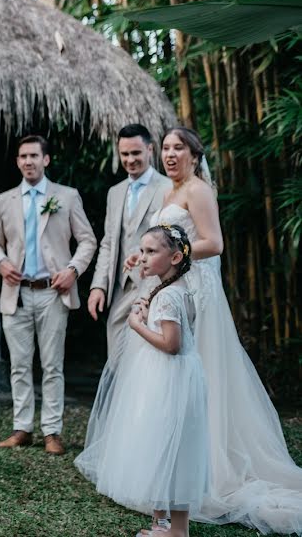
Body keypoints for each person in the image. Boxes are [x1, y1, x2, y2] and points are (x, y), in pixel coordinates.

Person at [124, 127, 302, 535]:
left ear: (193, 153)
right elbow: (166, 239)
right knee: (166, 387)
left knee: (193, 378)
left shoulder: (198, 189)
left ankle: (205, 471)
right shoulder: (170, 193)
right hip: (173, 285)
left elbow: (215, 243)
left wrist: (172, 254)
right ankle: (166, 474)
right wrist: (146, 252)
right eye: (166, 148)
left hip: (196, 294)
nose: (170, 154)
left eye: (178, 148)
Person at [76, 224, 209, 537]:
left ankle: (172, 528)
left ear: (175, 257)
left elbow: (171, 344)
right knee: (166, 448)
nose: (143, 258)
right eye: (143, 250)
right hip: (174, 377)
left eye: (152, 252)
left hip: (169, 378)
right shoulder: (173, 289)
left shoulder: (168, 297)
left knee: (166, 449)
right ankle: (167, 525)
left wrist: (137, 324)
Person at [0, 135, 97, 455]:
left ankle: (52, 431)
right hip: (16, 292)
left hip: (52, 291)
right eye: (23, 156)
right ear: (18, 161)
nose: (28, 161)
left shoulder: (67, 196)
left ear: (46, 160)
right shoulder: (3, 200)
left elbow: (87, 240)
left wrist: (72, 270)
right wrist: (1, 262)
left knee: (52, 365)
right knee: (19, 365)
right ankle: (23, 428)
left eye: (34, 155)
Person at [87, 124, 169, 366]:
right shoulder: (115, 192)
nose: (130, 159)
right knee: (115, 355)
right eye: (125, 154)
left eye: (136, 153)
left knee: (148, 359)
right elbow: (109, 243)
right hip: (121, 287)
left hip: (155, 284)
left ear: (150, 150)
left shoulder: (167, 188)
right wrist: (98, 286)